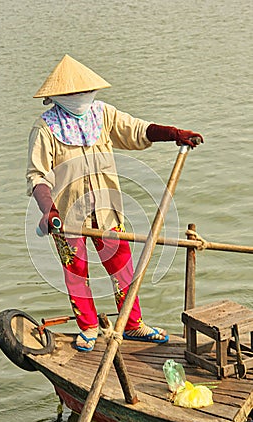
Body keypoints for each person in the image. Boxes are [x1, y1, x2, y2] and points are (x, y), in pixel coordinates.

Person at [26, 54, 203, 352]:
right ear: (58, 96)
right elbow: (37, 176)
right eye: (73, 94)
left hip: (107, 211)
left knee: (122, 268)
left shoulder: (102, 115)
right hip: (67, 216)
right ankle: (88, 327)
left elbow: (136, 130)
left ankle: (132, 324)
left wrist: (173, 134)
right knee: (76, 272)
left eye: (84, 92)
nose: (81, 97)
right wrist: (50, 209)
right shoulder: (45, 128)